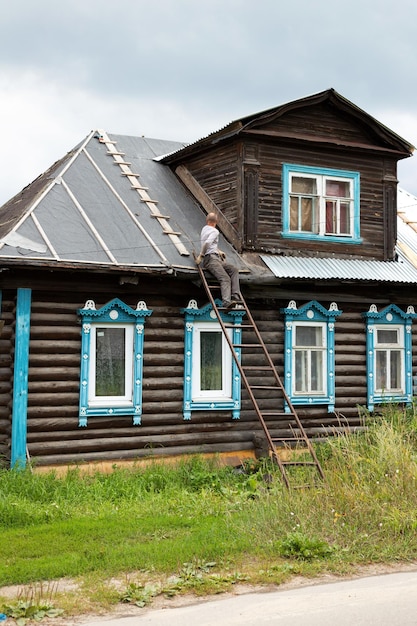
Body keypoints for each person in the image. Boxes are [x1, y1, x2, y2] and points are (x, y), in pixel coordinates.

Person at [196, 212, 241, 309]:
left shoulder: (204, 229)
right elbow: (207, 243)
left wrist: (219, 251)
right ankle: (226, 302)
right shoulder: (215, 231)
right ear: (216, 222)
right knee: (225, 278)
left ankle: (235, 295)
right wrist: (201, 255)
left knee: (233, 269)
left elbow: (210, 244)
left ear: (207, 221)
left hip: (216, 258)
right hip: (211, 259)